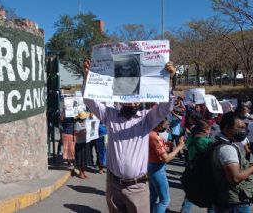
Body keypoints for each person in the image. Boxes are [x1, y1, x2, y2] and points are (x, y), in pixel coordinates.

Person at [83, 58, 176, 213]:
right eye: (128, 99)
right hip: (113, 185)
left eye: (135, 100)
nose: (132, 103)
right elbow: (89, 100)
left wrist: (170, 79)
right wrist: (87, 78)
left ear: (140, 100)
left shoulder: (147, 119)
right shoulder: (110, 115)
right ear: (120, 98)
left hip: (137, 188)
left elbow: (166, 106)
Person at [211, 112, 253, 212]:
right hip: (235, 204)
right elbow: (234, 178)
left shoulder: (222, 143)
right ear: (227, 128)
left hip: (228, 201)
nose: (243, 131)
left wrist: (252, 166)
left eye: (244, 127)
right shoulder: (227, 149)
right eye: (239, 127)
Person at [148, 119, 185, 213]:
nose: (167, 127)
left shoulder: (149, 133)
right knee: (165, 200)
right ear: (159, 125)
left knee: (153, 196)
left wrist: (165, 144)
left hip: (151, 166)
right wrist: (178, 148)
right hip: (157, 169)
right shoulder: (155, 137)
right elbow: (166, 158)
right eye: (166, 124)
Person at [180, 120, 215, 213]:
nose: (210, 131)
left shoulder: (190, 138)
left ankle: (184, 210)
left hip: (192, 167)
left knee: (191, 191)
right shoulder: (205, 141)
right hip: (204, 170)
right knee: (211, 194)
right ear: (204, 130)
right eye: (209, 129)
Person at [74, 111, 90, 179]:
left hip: (85, 143)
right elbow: (76, 133)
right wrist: (83, 132)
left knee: (84, 158)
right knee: (80, 159)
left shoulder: (85, 122)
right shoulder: (77, 124)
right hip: (79, 144)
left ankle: (83, 172)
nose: (85, 119)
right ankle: (80, 173)